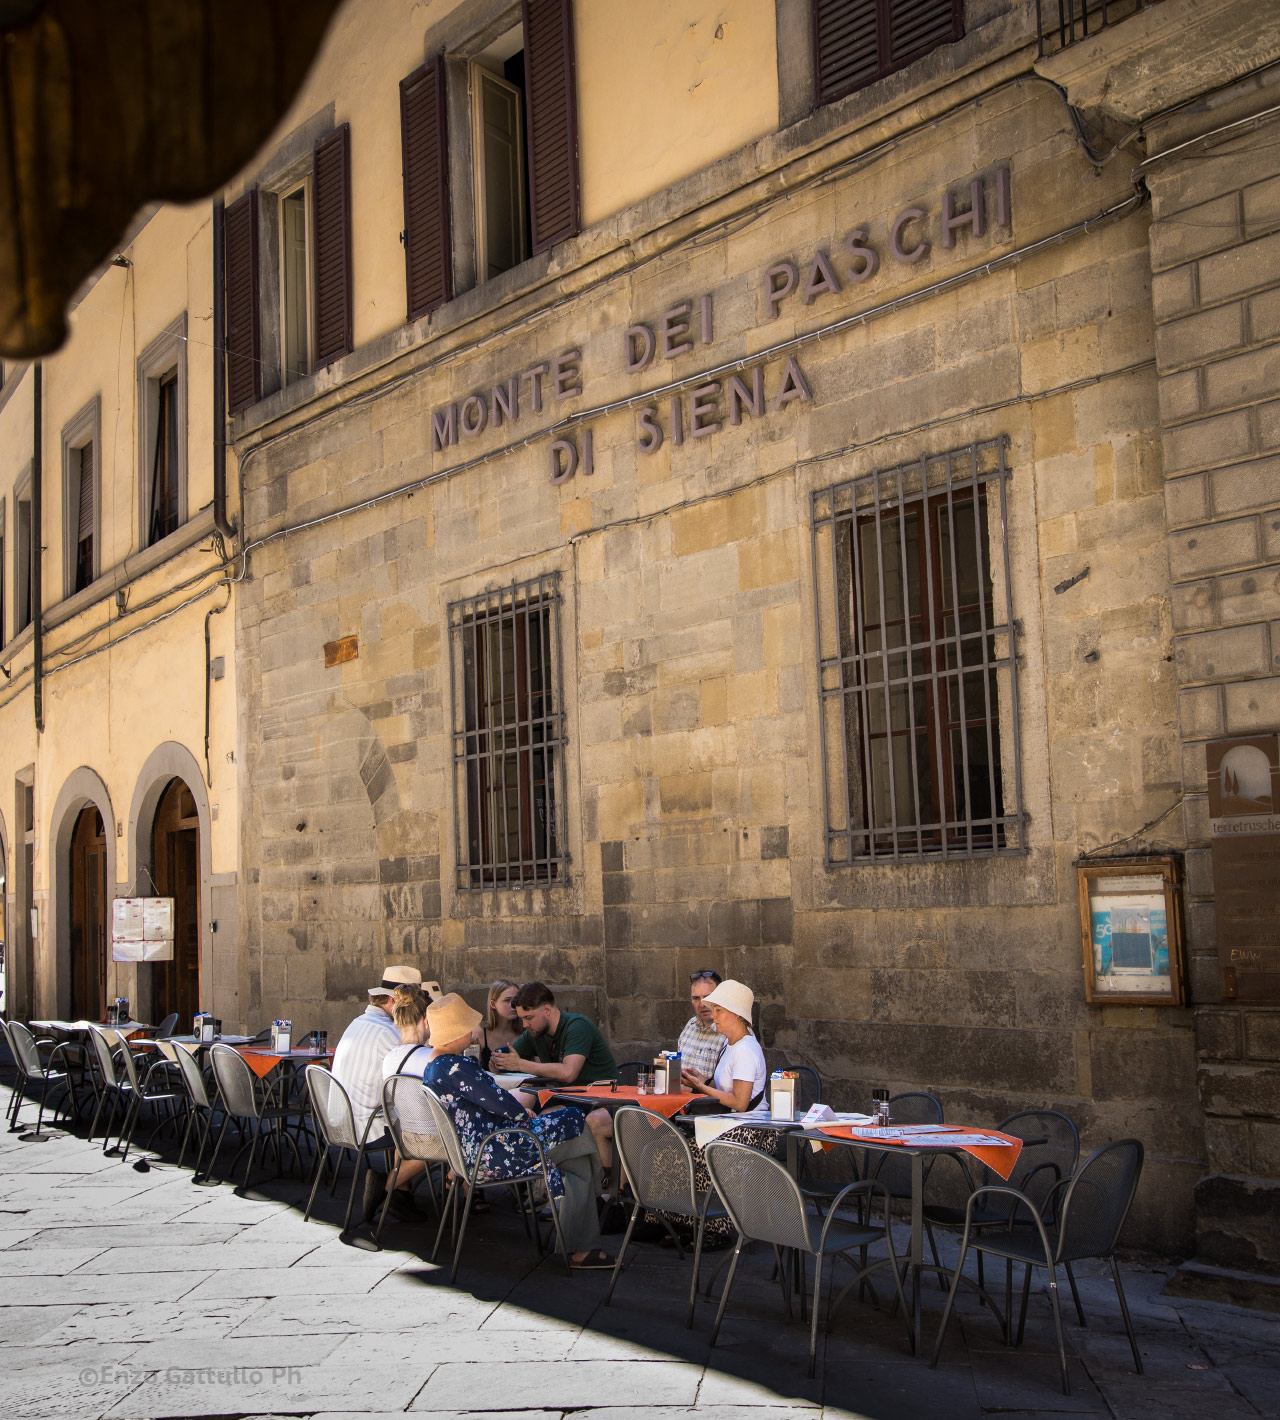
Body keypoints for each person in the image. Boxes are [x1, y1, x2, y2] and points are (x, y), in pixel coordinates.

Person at [423, 993, 615, 1268]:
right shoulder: (457, 1066)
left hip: (474, 1153)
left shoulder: (434, 1068)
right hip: (496, 1151)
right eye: (468, 1027)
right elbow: (502, 1102)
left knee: (575, 1151)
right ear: (457, 1032)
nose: (473, 1032)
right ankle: (588, 1227)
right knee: (574, 1123)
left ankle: (579, 1232)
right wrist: (522, 1111)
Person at [677, 978, 775, 1241]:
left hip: (750, 1131)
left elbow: (739, 1102)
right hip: (730, 1125)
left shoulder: (745, 1049)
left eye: (719, 1011)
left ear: (736, 1014)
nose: (714, 1016)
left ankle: (715, 1228)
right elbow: (723, 1088)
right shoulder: (731, 1045)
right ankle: (685, 1221)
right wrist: (700, 1080)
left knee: (693, 1150)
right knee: (675, 1142)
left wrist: (701, 1086)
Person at [488, 982, 618, 1172]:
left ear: (547, 1010)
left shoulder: (577, 1026)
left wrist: (520, 1064)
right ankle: (518, 1176)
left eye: (528, 1018)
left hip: (598, 1098)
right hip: (566, 1096)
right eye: (522, 1018)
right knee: (514, 1102)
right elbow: (505, 1054)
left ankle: (553, 1182)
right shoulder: (536, 1032)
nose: (524, 1024)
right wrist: (498, 1062)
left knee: (546, 1119)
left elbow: (568, 1072)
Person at [330, 963, 422, 1221]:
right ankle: (387, 1187)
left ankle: (400, 1197)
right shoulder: (391, 1033)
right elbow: (410, 1085)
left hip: (339, 1121)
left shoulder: (357, 1023)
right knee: (432, 1128)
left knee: (407, 1115)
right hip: (367, 1126)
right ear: (395, 1001)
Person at [373, 985, 439, 1220]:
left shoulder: (390, 1058)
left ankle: (394, 1189)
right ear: (426, 1019)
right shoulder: (431, 1059)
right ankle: (387, 1185)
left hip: (403, 1137)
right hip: (434, 1141)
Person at [678, 970, 727, 1082]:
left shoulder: (731, 1031)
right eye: (696, 998)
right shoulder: (690, 1026)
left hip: (715, 1099)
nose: (702, 1004)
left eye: (708, 997)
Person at [472, 979, 520, 1069]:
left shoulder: (526, 1032)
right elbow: (469, 1068)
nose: (514, 1005)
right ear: (493, 1004)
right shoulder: (480, 1032)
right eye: (507, 1000)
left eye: (517, 1000)